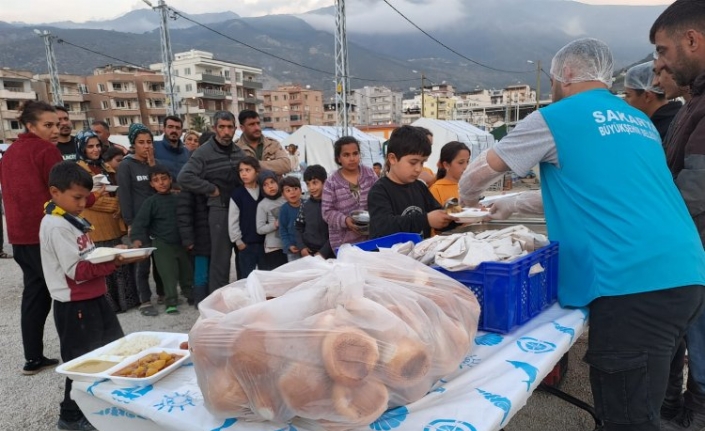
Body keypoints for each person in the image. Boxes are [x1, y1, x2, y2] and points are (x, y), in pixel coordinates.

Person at [458, 37, 705, 431]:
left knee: (627, 418)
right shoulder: (637, 121)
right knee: (648, 401)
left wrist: (467, 201)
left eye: (554, 79)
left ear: (566, 75)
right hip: (684, 274)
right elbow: (591, 190)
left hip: (632, 284)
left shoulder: (557, 116)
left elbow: (476, 176)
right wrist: (513, 202)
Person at [39, 161, 142, 431]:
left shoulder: (69, 219)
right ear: (54, 192)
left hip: (95, 297)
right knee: (83, 361)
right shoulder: (55, 225)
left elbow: (88, 255)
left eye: (86, 196)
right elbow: (78, 271)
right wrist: (116, 261)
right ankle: (71, 416)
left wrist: (112, 252)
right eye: (77, 197)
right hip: (75, 305)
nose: (83, 203)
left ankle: (108, 405)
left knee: (114, 349)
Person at [651, 4, 705, 429]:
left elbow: (694, 190)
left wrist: (639, 224)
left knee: (701, 346)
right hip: (690, 252)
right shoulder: (695, 101)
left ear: (692, 40)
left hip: (698, 253)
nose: (660, 63)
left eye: (663, 49)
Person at [0, 101, 63, 375]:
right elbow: (63, 189)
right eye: (47, 125)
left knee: (35, 294)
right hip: (45, 234)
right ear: (30, 125)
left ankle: (33, 358)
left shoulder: (10, 152)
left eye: (57, 124)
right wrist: (92, 195)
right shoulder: (45, 150)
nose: (54, 130)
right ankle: (79, 351)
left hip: (19, 237)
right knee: (65, 292)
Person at [178, 111, 245, 292]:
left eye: (229, 127)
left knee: (243, 258)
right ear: (215, 128)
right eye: (221, 127)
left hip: (240, 211)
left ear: (235, 129)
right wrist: (211, 189)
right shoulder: (203, 152)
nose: (226, 132)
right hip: (219, 211)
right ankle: (218, 304)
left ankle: (243, 300)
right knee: (220, 261)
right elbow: (184, 177)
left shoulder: (239, 152)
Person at [75, 130, 138, 313]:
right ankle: (109, 307)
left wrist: (117, 203)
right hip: (95, 225)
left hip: (113, 224)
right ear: (82, 148)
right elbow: (87, 199)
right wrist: (117, 204)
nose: (95, 150)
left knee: (119, 265)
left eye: (97, 145)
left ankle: (127, 302)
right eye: (90, 146)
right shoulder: (79, 170)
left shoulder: (106, 167)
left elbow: (120, 192)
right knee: (102, 267)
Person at [368, 126, 454, 239]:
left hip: (419, 253)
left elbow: (438, 214)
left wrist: (458, 213)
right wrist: (426, 219)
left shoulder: (420, 187)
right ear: (392, 159)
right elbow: (384, 227)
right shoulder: (379, 191)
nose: (419, 169)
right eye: (413, 162)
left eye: (422, 163)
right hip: (390, 255)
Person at [131, 165, 193, 314]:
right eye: (156, 180)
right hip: (162, 244)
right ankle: (171, 301)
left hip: (181, 242)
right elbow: (140, 222)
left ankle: (190, 294)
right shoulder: (151, 202)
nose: (161, 183)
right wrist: (137, 239)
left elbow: (188, 218)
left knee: (187, 271)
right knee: (168, 274)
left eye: (164, 179)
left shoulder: (179, 198)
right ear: (151, 184)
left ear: (170, 179)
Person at [117, 123, 162, 317]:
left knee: (160, 260)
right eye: (141, 142)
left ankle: (164, 294)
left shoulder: (154, 164)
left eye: (149, 142)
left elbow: (162, 188)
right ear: (133, 144)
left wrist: (153, 166)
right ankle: (144, 300)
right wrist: (129, 223)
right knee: (142, 262)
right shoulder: (126, 165)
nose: (146, 146)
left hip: (158, 220)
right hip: (139, 221)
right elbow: (125, 196)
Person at [321, 136, 378, 252]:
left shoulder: (370, 175)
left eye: (355, 153)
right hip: (345, 244)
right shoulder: (331, 182)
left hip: (372, 238)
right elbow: (327, 212)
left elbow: (380, 198)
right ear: (338, 158)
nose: (352, 158)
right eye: (346, 155)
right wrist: (345, 220)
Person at [623, 61, 682, 141]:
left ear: (647, 96)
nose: (625, 100)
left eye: (628, 95)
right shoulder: (679, 116)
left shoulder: (660, 132)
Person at [228, 157, 265, 279]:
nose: (244, 173)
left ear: (257, 171)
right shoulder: (237, 194)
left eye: (248, 170)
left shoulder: (264, 191)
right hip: (246, 244)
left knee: (266, 277)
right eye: (241, 170)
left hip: (265, 244)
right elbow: (232, 220)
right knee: (246, 278)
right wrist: (238, 241)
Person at [235, 110, 291, 175]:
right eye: (251, 124)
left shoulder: (272, 144)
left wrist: (254, 165)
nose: (257, 128)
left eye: (258, 123)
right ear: (242, 128)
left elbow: (286, 165)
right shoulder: (236, 148)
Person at [296, 165, 333, 259]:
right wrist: (302, 248)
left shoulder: (332, 204)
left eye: (315, 183)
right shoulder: (304, 205)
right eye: (308, 184)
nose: (311, 188)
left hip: (330, 254)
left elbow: (336, 232)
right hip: (308, 254)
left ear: (325, 182)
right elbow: (298, 228)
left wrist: (323, 253)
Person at [255, 170, 287, 270]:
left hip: (290, 245)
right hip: (274, 248)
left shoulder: (286, 198)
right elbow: (259, 229)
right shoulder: (262, 205)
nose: (270, 186)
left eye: (272, 182)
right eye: (265, 184)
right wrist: (275, 224)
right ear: (262, 188)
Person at [429, 141, 471, 207]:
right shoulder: (436, 190)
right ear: (446, 165)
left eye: (467, 161)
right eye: (461, 162)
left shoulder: (468, 187)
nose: (466, 167)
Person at [153, 116, 189, 182]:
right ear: (164, 129)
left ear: (181, 131)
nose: (174, 130)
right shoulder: (154, 147)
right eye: (170, 127)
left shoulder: (187, 153)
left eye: (177, 128)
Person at [279, 176, 303, 262]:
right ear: (283, 195)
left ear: (301, 190)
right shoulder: (284, 210)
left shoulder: (307, 205)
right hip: (294, 249)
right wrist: (288, 245)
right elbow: (283, 230)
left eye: (295, 188)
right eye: (288, 190)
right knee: (295, 273)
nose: (292, 192)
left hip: (308, 247)